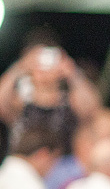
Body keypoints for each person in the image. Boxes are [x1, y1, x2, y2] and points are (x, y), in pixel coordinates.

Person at [0, 28, 101, 156]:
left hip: (63, 165)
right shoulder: (20, 99)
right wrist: (19, 67)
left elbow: (92, 110)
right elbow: (2, 106)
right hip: (25, 164)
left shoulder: (70, 100)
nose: (44, 66)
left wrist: (73, 73)